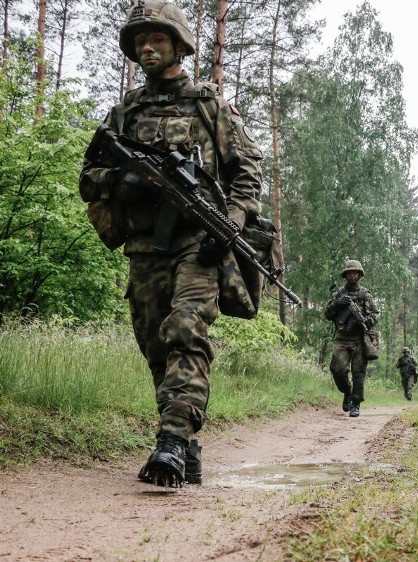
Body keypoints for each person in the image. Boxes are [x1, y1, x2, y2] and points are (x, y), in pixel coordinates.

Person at [78, 0, 263, 488]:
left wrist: (230, 224)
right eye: (140, 41)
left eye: (157, 38)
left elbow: (248, 174)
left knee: (185, 329)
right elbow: (90, 175)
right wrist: (123, 183)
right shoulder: (125, 112)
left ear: (180, 45)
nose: (147, 47)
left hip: (198, 242)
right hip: (144, 246)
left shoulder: (210, 106)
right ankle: (188, 443)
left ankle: (172, 441)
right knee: (155, 344)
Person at [324, 260, 380, 418]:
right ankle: (347, 392)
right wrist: (336, 304)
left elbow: (375, 314)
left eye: (355, 272)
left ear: (360, 275)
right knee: (338, 370)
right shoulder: (338, 293)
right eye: (350, 272)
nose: (352, 275)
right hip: (341, 339)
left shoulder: (364, 294)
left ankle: (356, 404)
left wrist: (362, 322)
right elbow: (327, 315)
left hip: (359, 340)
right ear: (345, 275)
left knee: (358, 374)